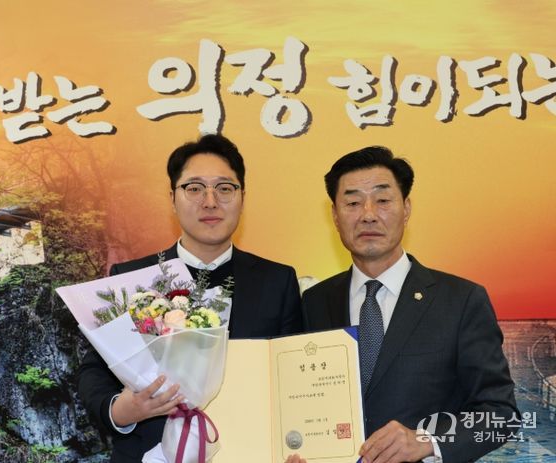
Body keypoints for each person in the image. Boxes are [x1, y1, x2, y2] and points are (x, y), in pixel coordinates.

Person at [77, 133, 302, 462]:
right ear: (172, 198)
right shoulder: (131, 279)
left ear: (242, 196)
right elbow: (94, 371)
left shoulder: (277, 281)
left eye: (224, 188)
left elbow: (292, 376)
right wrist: (122, 412)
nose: (210, 201)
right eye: (194, 188)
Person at [289, 146, 517, 463]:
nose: (368, 214)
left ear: (406, 209)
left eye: (383, 200)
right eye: (352, 203)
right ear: (335, 217)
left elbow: (501, 415)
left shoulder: (461, 300)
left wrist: (428, 441)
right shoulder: (313, 302)